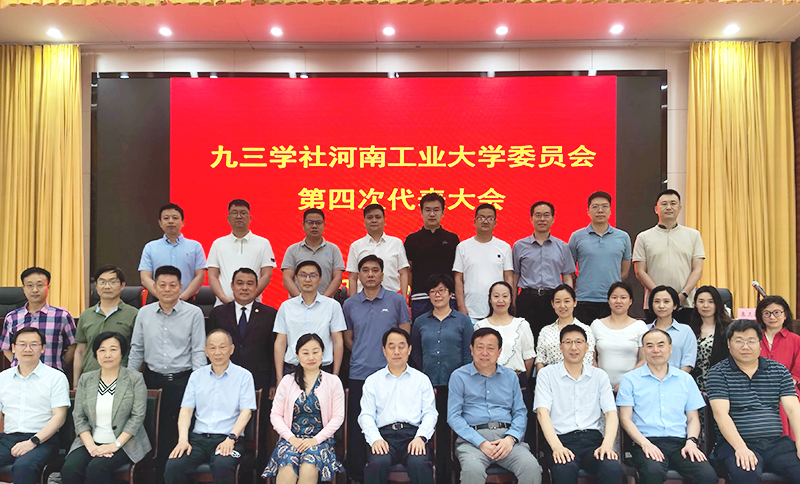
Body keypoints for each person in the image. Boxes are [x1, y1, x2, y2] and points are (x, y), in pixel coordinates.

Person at [127, 265, 206, 484]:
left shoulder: (194, 313)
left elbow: (198, 351)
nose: (167, 289)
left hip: (183, 381)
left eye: (173, 285)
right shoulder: (144, 313)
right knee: (156, 436)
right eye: (162, 285)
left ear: (181, 287)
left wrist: (199, 387)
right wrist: (129, 381)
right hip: (152, 382)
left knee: (182, 434)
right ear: (154, 287)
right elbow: (137, 350)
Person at [616, 329, 717, 484]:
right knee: (653, 473)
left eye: (660, 345)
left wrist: (691, 442)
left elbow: (693, 418)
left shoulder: (685, 379)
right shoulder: (630, 380)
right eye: (649, 346)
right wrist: (645, 444)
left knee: (707, 476)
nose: (655, 350)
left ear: (670, 348)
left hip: (681, 443)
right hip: (646, 441)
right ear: (644, 350)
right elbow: (625, 419)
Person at [343, 255, 411, 483]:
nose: (370, 274)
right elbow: (348, 339)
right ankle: (356, 475)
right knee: (358, 426)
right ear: (358, 275)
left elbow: (404, 335)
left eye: (375, 270)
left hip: (391, 374)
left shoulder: (397, 300)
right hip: (360, 373)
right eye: (365, 270)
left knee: (388, 425)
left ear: (382, 275)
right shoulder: (349, 304)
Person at [707, 319, 800, 483]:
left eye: (751, 341)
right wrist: (740, 447)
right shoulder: (718, 373)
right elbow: (720, 414)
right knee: (746, 474)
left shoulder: (779, 370)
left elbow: (793, 410)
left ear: (760, 344)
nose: (745, 347)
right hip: (735, 443)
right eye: (739, 341)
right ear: (729, 344)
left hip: (776, 443)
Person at [447, 327, 542, 484]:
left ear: (499, 352)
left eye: (490, 348)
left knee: (531, 468)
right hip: (472, 441)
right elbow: (453, 416)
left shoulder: (510, 376)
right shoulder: (459, 376)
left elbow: (520, 412)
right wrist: (480, 442)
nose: (485, 353)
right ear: (471, 349)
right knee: (472, 470)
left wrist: (510, 438)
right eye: (480, 347)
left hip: (506, 439)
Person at [164, 329, 257, 484]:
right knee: (174, 466)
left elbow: (246, 412)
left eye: (222, 347)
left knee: (222, 465)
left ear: (231, 349)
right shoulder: (196, 376)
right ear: (206, 351)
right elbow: (186, 410)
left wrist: (231, 438)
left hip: (228, 439)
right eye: (212, 348)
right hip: (198, 440)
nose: (217, 352)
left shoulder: (244, 376)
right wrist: (183, 440)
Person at [534, 324, 623, 484]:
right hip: (560, 439)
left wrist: (607, 445)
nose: (573, 347)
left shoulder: (599, 376)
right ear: (560, 347)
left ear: (587, 347)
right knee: (564, 469)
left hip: (592, 440)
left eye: (579, 342)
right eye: (568, 342)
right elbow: (542, 413)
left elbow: (611, 413)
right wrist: (557, 447)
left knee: (612, 468)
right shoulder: (547, 375)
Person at [62, 332, 151, 484]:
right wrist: (91, 446)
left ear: (122, 352)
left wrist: (115, 445)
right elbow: (79, 416)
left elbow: (137, 416)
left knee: (96, 468)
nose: (107, 355)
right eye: (102, 350)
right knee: (70, 469)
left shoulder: (134, 378)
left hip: (125, 443)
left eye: (113, 349)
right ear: (96, 354)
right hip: (90, 441)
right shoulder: (86, 379)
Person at [263, 333, 345, 484]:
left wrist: (315, 440)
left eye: (315, 352)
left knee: (309, 466)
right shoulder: (287, 381)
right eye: (305, 353)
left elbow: (338, 417)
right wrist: (291, 438)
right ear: (297, 356)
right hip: (290, 439)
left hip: (320, 441)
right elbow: (275, 415)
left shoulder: (333, 382)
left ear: (322, 353)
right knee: (287, 467)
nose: (311, 357)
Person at [359, 328, 437, 484]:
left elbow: (430, 413)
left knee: (419, 464)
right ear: (384, 350)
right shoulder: (372, 381)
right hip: (384, 436)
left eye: (401, 346)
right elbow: (366, 415)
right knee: (377, 463)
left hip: (413, 435)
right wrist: (375, 439)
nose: (396, 351)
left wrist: (421, 437)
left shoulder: (421, 380)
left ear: (409, 349)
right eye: (391, 346)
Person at [0, 326, 70, 484]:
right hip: (8, 438)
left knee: (23, 467)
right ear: (13, 348)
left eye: (33, 344)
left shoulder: (56, 377)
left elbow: (59, 416)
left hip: (43, 440)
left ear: (43, 348)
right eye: (22, 344)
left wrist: (33, 441)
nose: (27, 349)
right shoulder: (3, 378)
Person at [632, 189, 705, 324]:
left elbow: (697, 269)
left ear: (679, 208)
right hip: (654, 304)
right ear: (656, 209)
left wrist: (683, 294)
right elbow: (640, 271)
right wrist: (660, 296)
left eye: (673, 203)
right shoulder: (643, 237)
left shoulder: (693, 235)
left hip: (686, 303)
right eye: (664, 204)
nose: (669, 207)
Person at [512, 201, 575, 342]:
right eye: (538, 215)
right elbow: (515, 277)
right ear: (531, 218)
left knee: (553, 339)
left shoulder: (562, 247)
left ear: (553, 219)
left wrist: (568, 301)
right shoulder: (519, 246)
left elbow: (567, 277)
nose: (542, 219)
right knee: (527, 340)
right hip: (527, 299)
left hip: (553, 300)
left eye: (546, 215)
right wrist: (513, 301)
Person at [207, 267, 277, 393]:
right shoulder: (218, 313)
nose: (245, 288)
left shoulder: (270, 314)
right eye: (240, 283)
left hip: (260, 381)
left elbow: (273, 351)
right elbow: (210, 348)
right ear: (232, 286)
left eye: (250, 284)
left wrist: (274, 382)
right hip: (224, 378)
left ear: (256, 287)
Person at [568, 191, 632, 324]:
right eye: (595, 207)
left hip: (613, 300)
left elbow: (624, 271)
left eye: (604, 206)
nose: (600, 210)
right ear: (588, 211)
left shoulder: (623, 237)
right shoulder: (577, 236)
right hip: (584, 299)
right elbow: (569, 269)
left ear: (610, 210)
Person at [274, 260, 346, 378]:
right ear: (296, 278)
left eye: (313, 275)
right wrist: (279, 377)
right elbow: (280, 342)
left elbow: (338, 341)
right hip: (292, 368)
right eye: (303, 275)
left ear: (320, 278)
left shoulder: (332, 306)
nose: (307, 280)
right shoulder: (286, 307)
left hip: (323, 369)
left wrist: (335, 375)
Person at [1, 266, 77, 372]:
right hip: (21, 376)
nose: (35, 290)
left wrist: (58, 367)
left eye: (40, 285)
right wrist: (18, 363)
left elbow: (72, 347)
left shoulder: (62, 316)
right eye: (30, 285)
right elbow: (6, 348)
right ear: (23, 288)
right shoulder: (12, 317)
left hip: (51, 376)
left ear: (48, 287)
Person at [73, 265, 138, 386]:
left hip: (121, 380)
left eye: (112, 282)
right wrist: (76, 383)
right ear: (96, 286)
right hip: (90, 379)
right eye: (102, 282)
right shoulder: (86, 315)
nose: (107, 286)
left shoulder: (134, 314)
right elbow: (80, 351)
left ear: (122, 285)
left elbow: (138, 351)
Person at [207, 199, 276, 305]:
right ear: (228, 218)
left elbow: (266, 275)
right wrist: (223, 298)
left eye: (243, 213)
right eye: (234, 213)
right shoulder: (218, 244)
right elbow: (212, 276)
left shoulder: (263, 243)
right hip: (223, 305)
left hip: (253, 304)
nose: (239, 216)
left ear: (250, 218)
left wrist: (249, 297)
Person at [453, 203, 514, 323]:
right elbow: (458, 279)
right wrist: (461, 307)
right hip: (470, 311)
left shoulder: (504, 247)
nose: (485, 221)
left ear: (495, 223)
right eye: (481, 218)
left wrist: (508, 305)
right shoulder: (463, 247)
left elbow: (509, 277)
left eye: (490, 218)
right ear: (474, 221)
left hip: (497, 311)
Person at [404, 193, 460, 322]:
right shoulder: (412, 240)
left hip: (447, 297)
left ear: (443, 212)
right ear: (421, 212)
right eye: (428, 210)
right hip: (421, 297)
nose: (432, 214)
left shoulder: (452, 239)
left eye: (436, 210)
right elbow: (408, 270)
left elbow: (456, 272)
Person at [138, 203, 206, 301]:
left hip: (187, 300)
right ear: (160, 223)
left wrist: (183, 297)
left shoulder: (195, 246)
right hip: (158, 300)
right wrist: (162, 296)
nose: (170, 221)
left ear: (183, 222)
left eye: (175, 218)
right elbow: (145, 278)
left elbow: (200, 276)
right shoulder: (150, 247)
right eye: (166, 218)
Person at [473, 281, 536, 384]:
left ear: (511, 299)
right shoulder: (480, 325)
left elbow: (529, 358)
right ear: (490, 299)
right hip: (486, 381)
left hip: (516, 381)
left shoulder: (522, 324)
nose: (500, 300)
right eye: (496, 296)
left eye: (505, 296)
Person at [590, 281, 647, 390]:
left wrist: (626, 383)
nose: (618, 301)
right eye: (614, 297)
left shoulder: (640, 326)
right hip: (600, 386)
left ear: (630, 301)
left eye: (623, 297)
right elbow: (590, 357)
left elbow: (644, 360)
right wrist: (600, 381)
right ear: (608, 300)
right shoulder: (596, 325)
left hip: (632, 386)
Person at [757, 295, 800, 438]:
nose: (772, 317)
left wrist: (784, 385)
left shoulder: (795, 340)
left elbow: (797, 372)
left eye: (776, 312)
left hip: (786, 392)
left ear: (785, 314)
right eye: (767, 313)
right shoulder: (754, 338)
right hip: (758, 391)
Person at [346, 203, 410, 297]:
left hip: (391, 297)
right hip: (364, 299)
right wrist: (353, 301)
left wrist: (403, 298)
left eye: (378, 217)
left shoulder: (396, 243)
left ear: (384, 221)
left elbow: (403, 273)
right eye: (370, 217)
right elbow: (352, 277)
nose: (374, 220)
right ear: (364, 222)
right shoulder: (356, 246)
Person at [282, 208, 345, 298]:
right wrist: (301, 300)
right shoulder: (292, 250)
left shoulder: (333, 249)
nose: (314, 226)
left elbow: (337, 278)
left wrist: (323, 300)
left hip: (326, 303)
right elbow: (287, 278)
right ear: (303, 225)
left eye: (318, 223)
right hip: (297, 303)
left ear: (324, 225)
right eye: (310, 222)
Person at [535, 285, 594, 371]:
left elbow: (588, 360)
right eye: (558, 302)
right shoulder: (545, 331)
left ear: (575, 302)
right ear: (552, 304)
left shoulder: (586, 329)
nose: (562, 306)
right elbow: (540, 360)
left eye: (567, 301)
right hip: (551, 377)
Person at [688, 285, 730, 392]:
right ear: (695, 304)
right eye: (701, 301)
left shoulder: (728, 329)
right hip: (693, 387)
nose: (705, 305)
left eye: (711, 302)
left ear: (717, 304)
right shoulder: (689, 328)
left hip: (720, 386)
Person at [646, 286, 696, 373]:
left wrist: (675, 379)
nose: (661, 306)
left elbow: (688, 363)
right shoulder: (644, 329)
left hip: (678, 379)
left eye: (666, 301)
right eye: (657, 301)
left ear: (675, 305)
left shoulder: (685, 331)